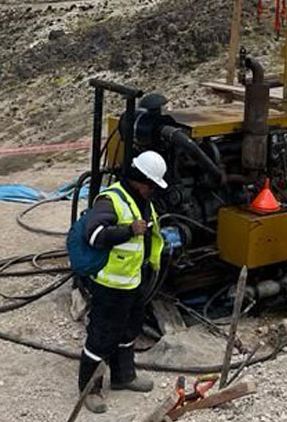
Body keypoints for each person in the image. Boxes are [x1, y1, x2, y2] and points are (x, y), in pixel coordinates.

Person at [78, 150, 168, 415]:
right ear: (140, 179)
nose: (152, 190)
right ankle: (89, 389)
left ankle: (123, 376)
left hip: (132, 281)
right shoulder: (111, 200)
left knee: (129, 331)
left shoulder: (141, 201)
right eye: (150, 184)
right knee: (101, 337)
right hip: (109, 286)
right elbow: (93, 235)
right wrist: (129, 230)